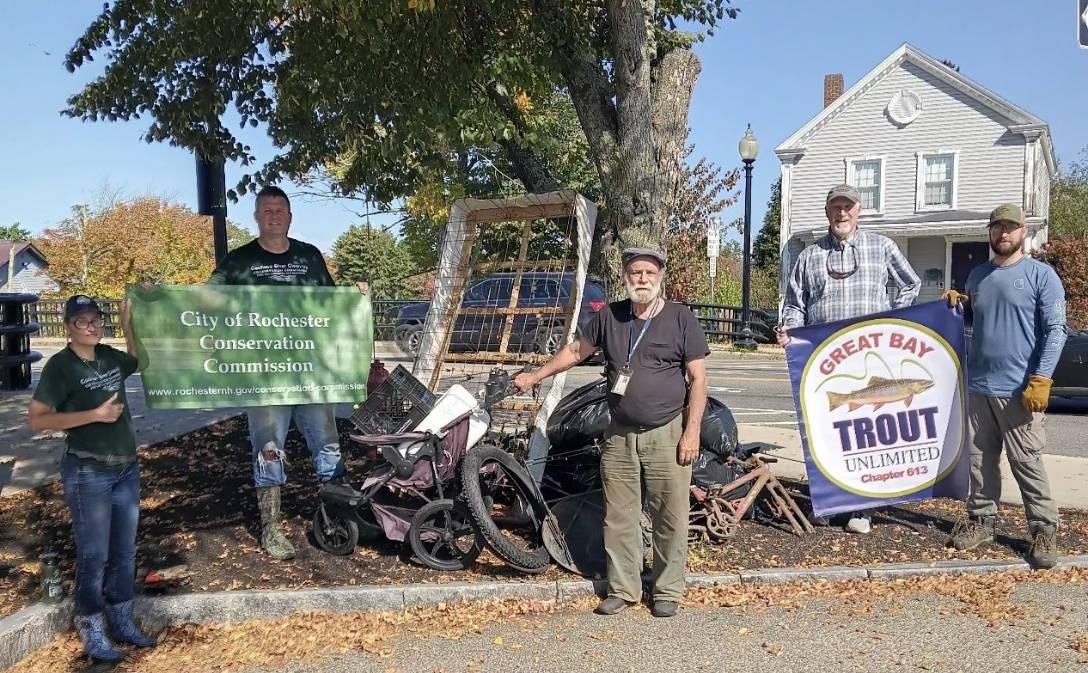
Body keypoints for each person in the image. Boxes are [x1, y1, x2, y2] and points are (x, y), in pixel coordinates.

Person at [513, 248, 708, 618]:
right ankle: (623, 588)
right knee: (619, 514)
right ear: (625, 276)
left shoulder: (681, 318)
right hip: (618, 434)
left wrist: (692, 430)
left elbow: (698, 379)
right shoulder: (609, 317)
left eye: (649, 272)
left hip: (667, 431)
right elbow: (574, 351)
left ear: (660, 276)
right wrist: (534, 376)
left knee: (670, 514)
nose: (642, 278)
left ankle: (667, 590)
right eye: (635, 272)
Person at [207, 185, 368, 560]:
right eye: (267, 209)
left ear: (290, 217)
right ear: (257, 217)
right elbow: (202, 300)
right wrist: (154, 298)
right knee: (268, 448)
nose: (274, 215)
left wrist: (354, 295)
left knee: (327, 442)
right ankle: (272, 528)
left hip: (310, 373)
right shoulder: (239, 261)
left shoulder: (309, 256)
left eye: (280, 209)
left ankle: (338, 518)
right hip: (264, 376)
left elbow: (332, 304)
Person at [777, 183, 921, 534]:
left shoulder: (881, 246)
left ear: (859, 210)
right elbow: (795, 304)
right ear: (828, 212)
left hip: (869, 357)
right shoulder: (809, 256)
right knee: (825, 432)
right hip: (824, 360)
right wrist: (791, 332)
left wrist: (890, 322)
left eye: (849, 207)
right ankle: (826, 502)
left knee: (864, 433)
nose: (842, 213)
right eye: (836, 207)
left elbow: (911, 284)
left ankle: (864, 509)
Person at [27, 296, 157, 662]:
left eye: (95, 319)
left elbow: (135, 360)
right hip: (88, 472)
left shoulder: (108, 356)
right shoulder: (60, 366)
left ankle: (122, 620)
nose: (91, 326)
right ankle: (91, 628)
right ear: (68, 327)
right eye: (81, 321)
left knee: (124, 551)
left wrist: (128, 320)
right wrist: (94, 415)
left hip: (125, 469)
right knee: (94, 555)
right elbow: (37, 418)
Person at [940, 203, 1065, 568]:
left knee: (1026, 462)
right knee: (979, 463)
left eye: (1010, 227)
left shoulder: (1041, 276)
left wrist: (1042, 378)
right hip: (979, 386)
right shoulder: (977, 276)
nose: (1003, 233)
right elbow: (980, 317)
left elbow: (1056, 330)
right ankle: (981, 521)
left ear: (1023, 231)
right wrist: (957, 306)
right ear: (990, 232)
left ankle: (1043, 530)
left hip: (1020, 390)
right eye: (997, 227)